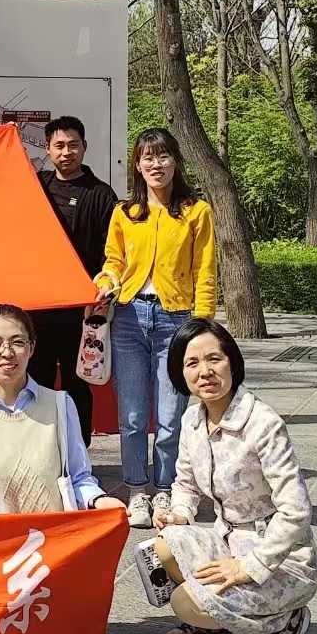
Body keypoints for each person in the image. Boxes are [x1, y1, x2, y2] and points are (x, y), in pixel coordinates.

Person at [149, 319, 317, 634]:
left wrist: (248, 567)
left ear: (232, 362)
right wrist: (178, 514)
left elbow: (296, 511)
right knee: (165, 545)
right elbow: (185, 483)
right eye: (192, 363)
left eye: (214, 359)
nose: (205, 371)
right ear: (180, 373)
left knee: (185, 601)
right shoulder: (192, 419)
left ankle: (288, 619)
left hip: (281, 557)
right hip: (227, 539)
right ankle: (214, 628)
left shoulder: (263, 424)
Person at [96, 127, 218, 529]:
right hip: (128, 317)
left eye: (163, 156)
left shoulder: (196, 211)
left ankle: (165, 489)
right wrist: (106, 280)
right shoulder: (125, 212)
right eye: (147, 157)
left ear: (175, 161)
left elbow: (205, 269)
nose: (156, 164)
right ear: (137, 164)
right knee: (132, 415)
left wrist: (202, 323)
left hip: (175, 319)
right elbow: (113, 260)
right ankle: (136, 490)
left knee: (170, 415)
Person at [0, 303, 126, 516]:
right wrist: (13, 529)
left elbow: (79, 477)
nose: (7, 352)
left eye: (17, 342)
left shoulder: (60, 405)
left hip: (54, 534)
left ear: (31, 348)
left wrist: (98, 499)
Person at [30, 115, 118, 445]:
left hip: (80, 308)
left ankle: (79, 450)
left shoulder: (101, 195)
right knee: (35, 379)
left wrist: (105, 287)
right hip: (38, 305)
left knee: (77, 380)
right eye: (59, 146)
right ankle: (39, 450)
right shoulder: (34, 186)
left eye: (73, 145)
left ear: (84, 147)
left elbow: (113, 250)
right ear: (48, 149)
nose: (66, 152)